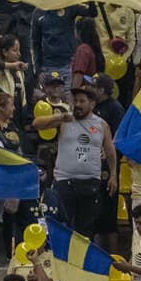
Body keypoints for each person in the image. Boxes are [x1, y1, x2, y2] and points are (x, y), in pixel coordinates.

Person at [32, 84, 115, 238]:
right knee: (63, 228)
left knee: (86, 231)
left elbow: (110, 151)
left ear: (92, 104)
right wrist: (60, 116)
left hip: (90, 183)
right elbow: (36, 124)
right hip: (65, 182)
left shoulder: (101, 125)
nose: (77, 104)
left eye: (82, 101)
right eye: (75, 100)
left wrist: (113, 175)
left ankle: (82, 262)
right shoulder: (65, 119)